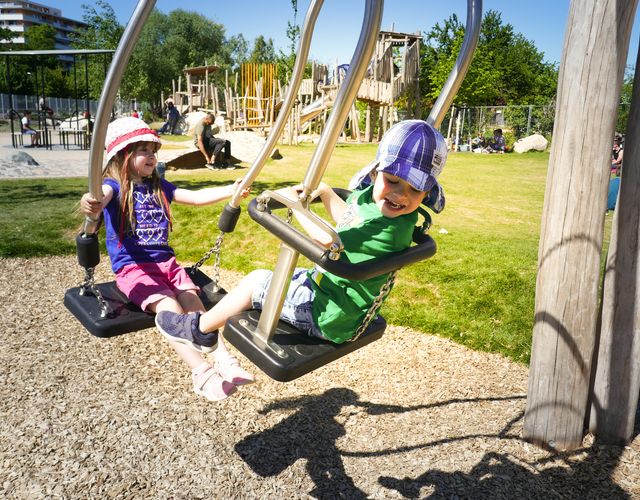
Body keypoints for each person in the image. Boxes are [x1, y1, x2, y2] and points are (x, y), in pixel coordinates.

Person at [155, 120, 447, 358]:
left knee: (256, 281)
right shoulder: (371, 200)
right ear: (376, 172)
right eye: (392, 180)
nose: (400, 195)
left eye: (415, 189)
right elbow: (348, 219)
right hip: (331, 292)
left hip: (330, 315)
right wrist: (326, 192)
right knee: (275, 278)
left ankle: (198, 330)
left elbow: (326, 240)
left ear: (427, 192)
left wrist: (293, 204)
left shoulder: (391, 230)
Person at [80, 117, 254, 402]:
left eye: (153, 151)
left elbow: (194, 197)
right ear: (123, 155)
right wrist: (91, 201)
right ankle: (202, 373)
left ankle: (224, 360)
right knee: (170, 308)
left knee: (193, 303)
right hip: (134, 268)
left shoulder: (159, 187)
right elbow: (101, 196)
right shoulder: (114, 186)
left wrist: (230, 191)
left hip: (167, 264)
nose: (152, 156)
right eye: (143, 150)